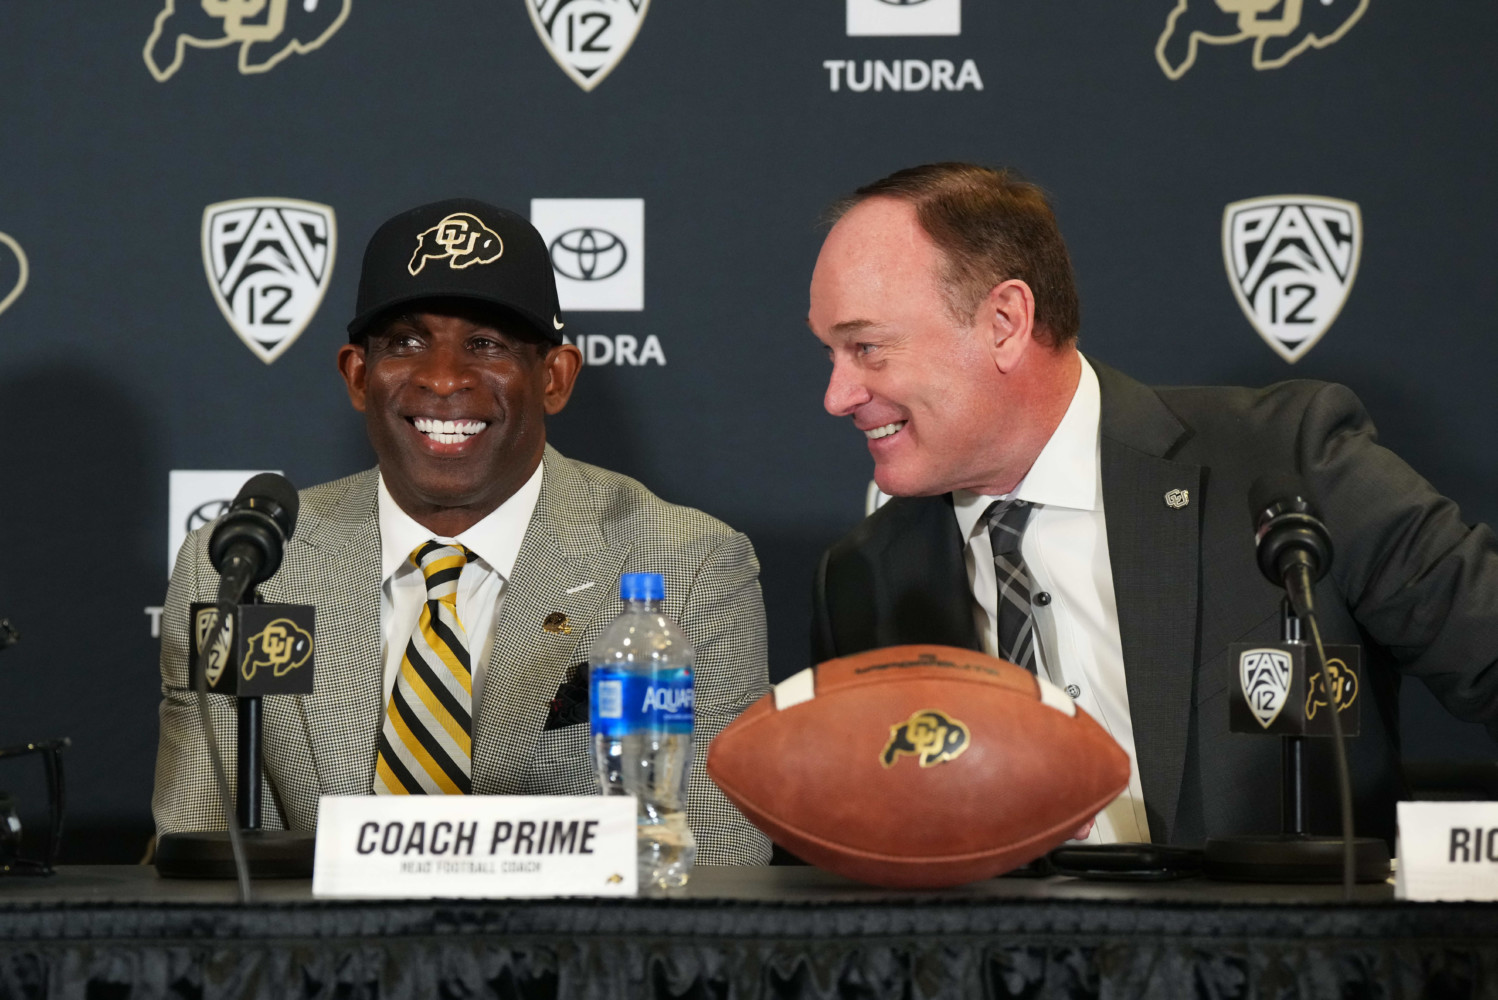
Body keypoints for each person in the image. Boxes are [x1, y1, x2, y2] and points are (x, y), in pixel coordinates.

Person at [807, 163, 1498, 847]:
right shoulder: (865, 577)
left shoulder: (1286, 463)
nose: (838, 396)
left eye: (867, 347)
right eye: (831, 354)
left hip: (1286, 952)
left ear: (1005, 322)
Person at [153, 198, 771, 864]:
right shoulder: (253, 567)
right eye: (406, 343)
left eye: (486, 345)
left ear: (555, 378)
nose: (443, 378)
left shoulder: (688, 566)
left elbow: (716, 857)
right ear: (358, 376)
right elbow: (203, 852)